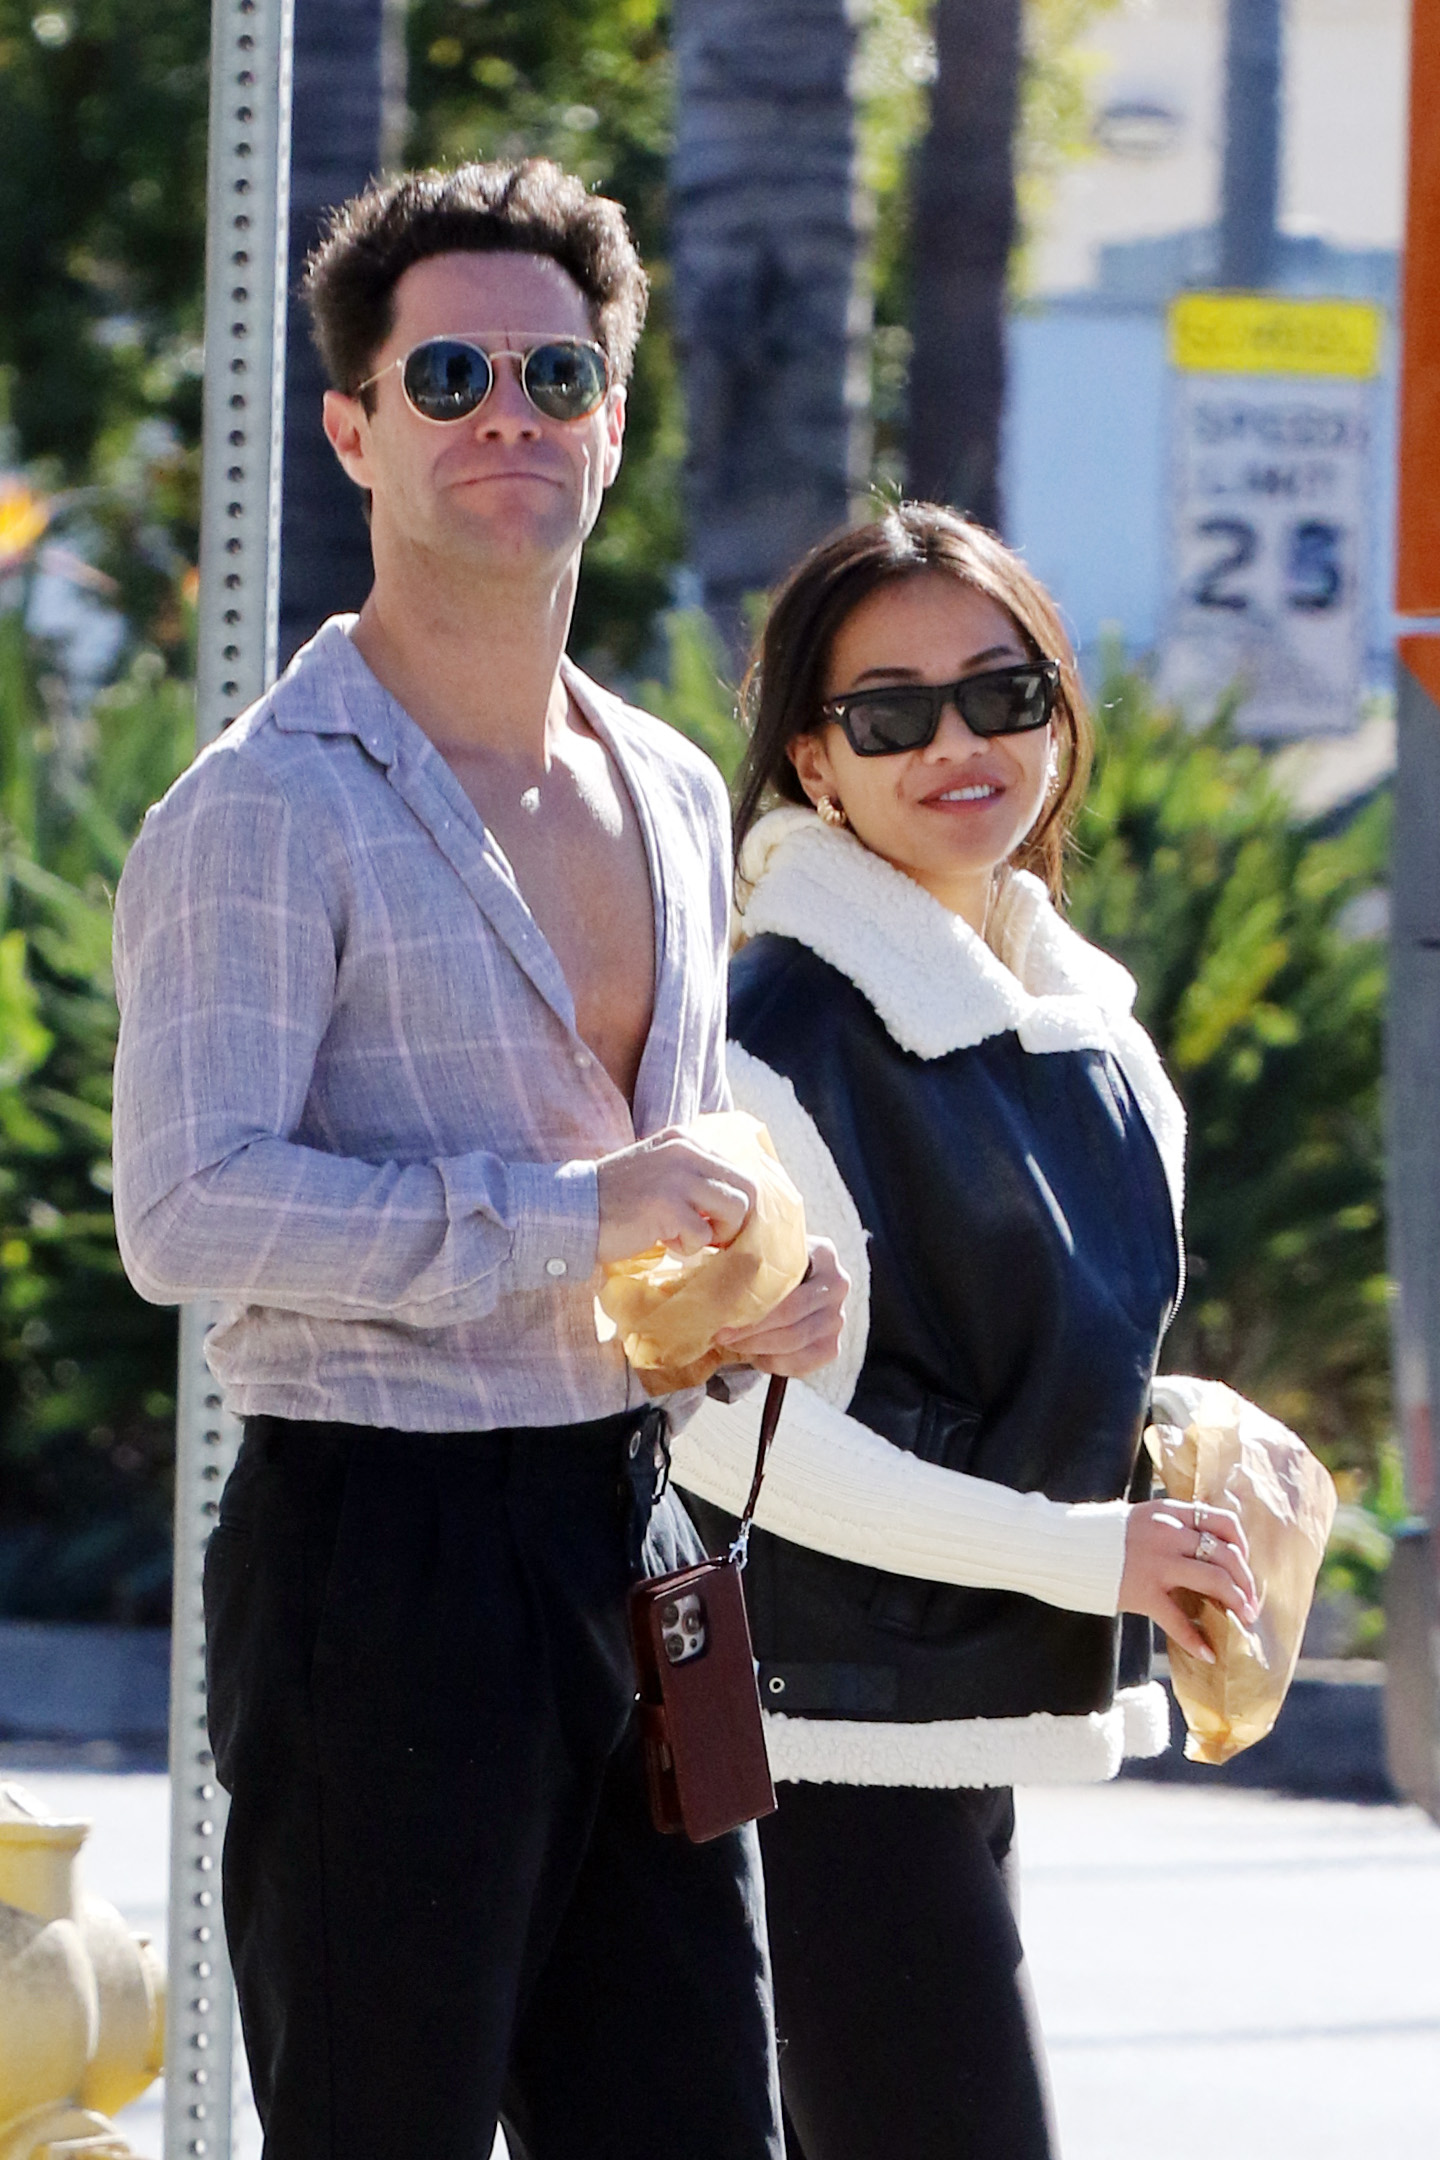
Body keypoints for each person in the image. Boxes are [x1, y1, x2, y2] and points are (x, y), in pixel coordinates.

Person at [110, 159, 845, 2160]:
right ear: (355, 428)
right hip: (380, 1558)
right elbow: (187, 1212)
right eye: (449, 374)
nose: (509, 410)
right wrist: (559, 1225)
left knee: (700, 2127)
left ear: (613, 417)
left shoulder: (679, 792)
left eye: (555, 368)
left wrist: (748, 1289)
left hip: (637, 1530)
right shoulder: (265, 809)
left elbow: (656, 1162)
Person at [672, 503, 1260, 2159]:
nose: (957, 743)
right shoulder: (774, 1034)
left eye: (1004, 695)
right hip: (809, 1740)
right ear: (817, 755)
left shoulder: (1083, 1027)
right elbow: (729, 1434)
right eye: (892, 711)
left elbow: (1014, 1352)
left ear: (1061, 720)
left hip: (941, 1725)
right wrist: (1095, 1556)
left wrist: (1196, 1466)